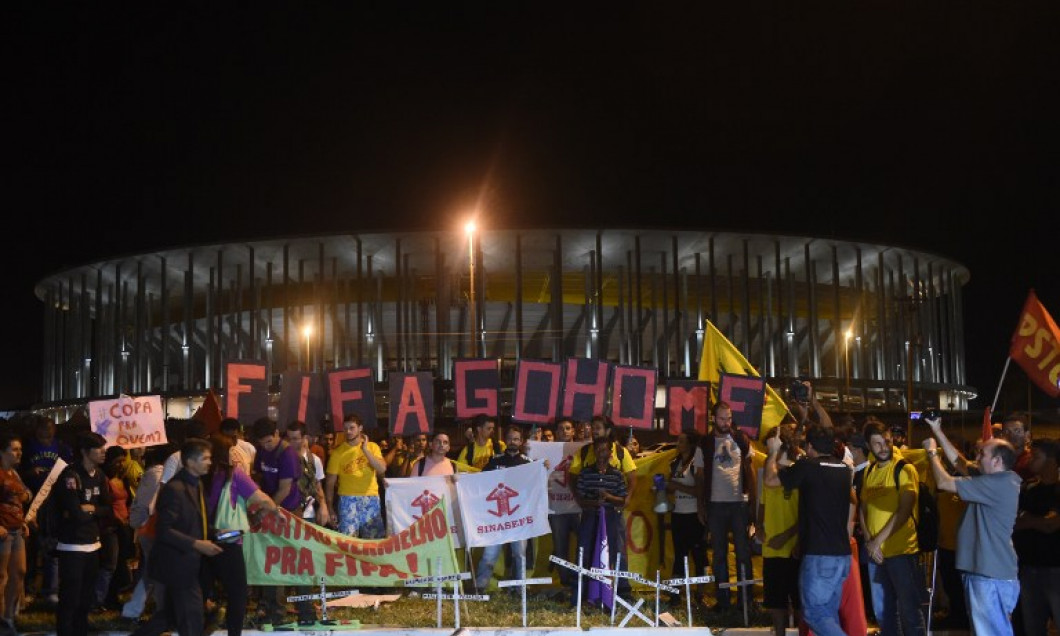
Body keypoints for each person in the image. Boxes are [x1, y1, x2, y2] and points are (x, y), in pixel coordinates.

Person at [922, 414, 1021, 635]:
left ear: (997, 461)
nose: (977, 456)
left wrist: (931, 452)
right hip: (986, 574)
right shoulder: (996, 479)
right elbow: (960, 463)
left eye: (982, 453)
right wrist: (937, 431)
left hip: (989, 576)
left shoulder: (999, 484)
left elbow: (944, 481)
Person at [765, 425, 853, 636]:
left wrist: (773, 452)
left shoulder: (808, 467)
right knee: (828, 615)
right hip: (841, 555)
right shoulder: (843, 469)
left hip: (819, 555)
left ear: (810, 446)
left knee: (815, 614)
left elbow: (770, 481)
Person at [131, 438, 223, 636]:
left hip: (188, 562)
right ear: (190, 462)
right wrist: (197, 544)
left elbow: (198, 522)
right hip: (175, 563)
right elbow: (164, 531)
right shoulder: (175, 489)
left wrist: (216, 534)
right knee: (192, 617)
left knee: (169, 617)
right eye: (205, 458)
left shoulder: (196, 484)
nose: (210, 462)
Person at [199, 433, 281, 635]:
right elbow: (262, 499)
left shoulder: (201, 474)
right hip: (228, 539)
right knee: (237, 593)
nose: (234, 455)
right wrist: (274, 510)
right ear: (224, 453)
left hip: (201, 539)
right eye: (231, 451)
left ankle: (199, 627)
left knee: (201, 591)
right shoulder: (233, 474)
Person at [859, 418, 926, 635]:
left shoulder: (904, 469)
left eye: (886, 441)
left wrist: (877, 541)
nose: (883, 447)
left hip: (901, 552)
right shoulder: (869, 471)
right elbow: (863, 508)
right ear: (869, 446)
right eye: (877, 443)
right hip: (875, 555)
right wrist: (871, 542)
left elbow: (904, 510)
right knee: (883, 613)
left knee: (909, 611)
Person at [699, 400, 756, 612]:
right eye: (722, 418)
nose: (726, 422)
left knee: (743, 553)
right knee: (719, 554)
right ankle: (723, 600)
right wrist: (701, 505)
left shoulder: (741, 439)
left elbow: (749, 471)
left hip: (739, 504)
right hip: (715, 505)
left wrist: (751, 501)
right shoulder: (705, 443)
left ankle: (746, 600)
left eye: (729, 418)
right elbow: (700, 476)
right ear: (714, 418)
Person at [55, 431, 111, 636]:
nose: (104, 452)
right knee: (70, 596)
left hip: (93, 544)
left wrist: (92, 509)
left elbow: (108, 508)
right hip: (72, 545)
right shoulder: (71, 475)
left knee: (86, 596)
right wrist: (86, 511)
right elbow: (75, 513)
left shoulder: (100, 475)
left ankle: (81, 630)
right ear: (85, 452)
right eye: (98, 449)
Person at [251, 417, 305, 625]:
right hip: (268, 508)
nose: (265, 446)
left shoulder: (287, 454)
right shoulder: (262, 450)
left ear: (276, 434)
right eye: (261, 443)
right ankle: (269, 605)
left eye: (268, 442)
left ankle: (295, 608)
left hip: (288, 511)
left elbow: (285, 488)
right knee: (269, 559)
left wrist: (266, 509)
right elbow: (257, 476)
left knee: (288, 560)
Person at [756, 422, 804, 636]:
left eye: (773, 447)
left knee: (799, 600)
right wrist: (758, 525)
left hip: (793, 548)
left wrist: (788, 537)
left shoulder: (798, 472)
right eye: (768, 448)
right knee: (775, 602)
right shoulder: (768, 471)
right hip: (771, 548)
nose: (769, 452)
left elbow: (806, 514)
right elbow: (762, 504)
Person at [573, 437, 632, 605]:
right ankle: (584, 594)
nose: (601, 454)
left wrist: (608, 497)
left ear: (610, 453)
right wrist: (594, 503)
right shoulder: (585, 473)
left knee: (609, 554)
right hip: (590, 517)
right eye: (597, 450)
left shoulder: (617, 475)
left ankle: (607, 594)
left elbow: (622, 500)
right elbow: (580, 499)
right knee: (585, 553)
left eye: (604, 450)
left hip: (610, 518)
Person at [20, 415, 71, 606]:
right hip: (32, 502)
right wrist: (30, 474)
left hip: (53, 503)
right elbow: (18, 472)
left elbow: (69, 469)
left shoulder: (61, 448)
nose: (46, 431)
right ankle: (29, 588)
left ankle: (50, 590)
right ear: (36, 430)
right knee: (31, 547)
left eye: (49, 428)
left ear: (54, 430)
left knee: (51, 546)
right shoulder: (27, 448)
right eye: (43, 428)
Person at [1011, 437, 1060, 636]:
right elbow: (1014, 521)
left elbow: (1051, 524)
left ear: (1051, 460)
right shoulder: (1028, 489)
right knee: (1032, 628)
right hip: (1029, 570)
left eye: (1036, 455)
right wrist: (1035, 520)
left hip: (1056, 571)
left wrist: (1027, 519)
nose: (1030, 459)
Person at [474, 426, 531, 591]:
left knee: (519, 555)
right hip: (497, 517)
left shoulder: (528, 464)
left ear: (521, 442)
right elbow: (480, 481)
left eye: (516, 439)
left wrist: (543, 467)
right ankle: (480, 587)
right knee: (489, 555)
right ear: (505, 440)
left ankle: (520, 590)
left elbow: (537, 484)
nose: (513, 442)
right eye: (510, 438)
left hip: (519, 518)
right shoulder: (495, 461)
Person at [120, 445, 169, 627]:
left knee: (152, 572)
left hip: (149, 529)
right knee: (153, 572)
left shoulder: (154, 474)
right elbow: (151, 507)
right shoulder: (159, 476)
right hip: (152, 530)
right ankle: (145, 611)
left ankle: (145, 610)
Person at [324, 413, 387, 538]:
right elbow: (330, 484)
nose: (348, 431)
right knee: (348, 543)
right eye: (345, 428)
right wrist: (330, 508)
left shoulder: (372, 447)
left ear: (360, 428)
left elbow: (381, 469)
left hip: (371, 498)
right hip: (348, 500)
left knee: (373, 543)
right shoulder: (337, 453)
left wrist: (365, 450)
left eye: (352, 428)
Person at [666, 431, 707, 605]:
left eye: (682, 441)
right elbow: (671, 487)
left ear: (690, 444)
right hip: (678, 514)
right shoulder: (675, 463)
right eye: (678, 440)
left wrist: (676, 486)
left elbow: (699, 490)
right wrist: (664, 486)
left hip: (694, 515)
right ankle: (676, 593)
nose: (678, 443)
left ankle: (700, 594)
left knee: (698, 555)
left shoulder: (696, 464)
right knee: (679, 555)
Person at [95, 445, 134, 611]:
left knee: (120, 564)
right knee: (110, 563)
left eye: (123, 462)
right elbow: (104, 505)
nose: (120, 465)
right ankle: (98, 599)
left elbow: (128, 501)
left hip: (123, 527)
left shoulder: (123, 479)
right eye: (117, 462)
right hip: (109, 527)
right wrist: (117, 519)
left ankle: (112, 597)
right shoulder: (103, 480)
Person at [0, 431, 29, 633]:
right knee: (1, 576)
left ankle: (9, 616)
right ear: (3, 452)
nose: (19, 453)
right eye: (15, 449)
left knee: (19, 572)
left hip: (16, 529)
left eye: (20, 449)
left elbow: (19, 499)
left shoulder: (14, 474)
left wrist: (23, 520)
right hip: (2, 531)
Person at [1001, 411, 1034, 481]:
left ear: (1027, 436)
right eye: (1007, 431)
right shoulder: (999, 460)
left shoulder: (1031, 461)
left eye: (1017, 431)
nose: (1011, 436)